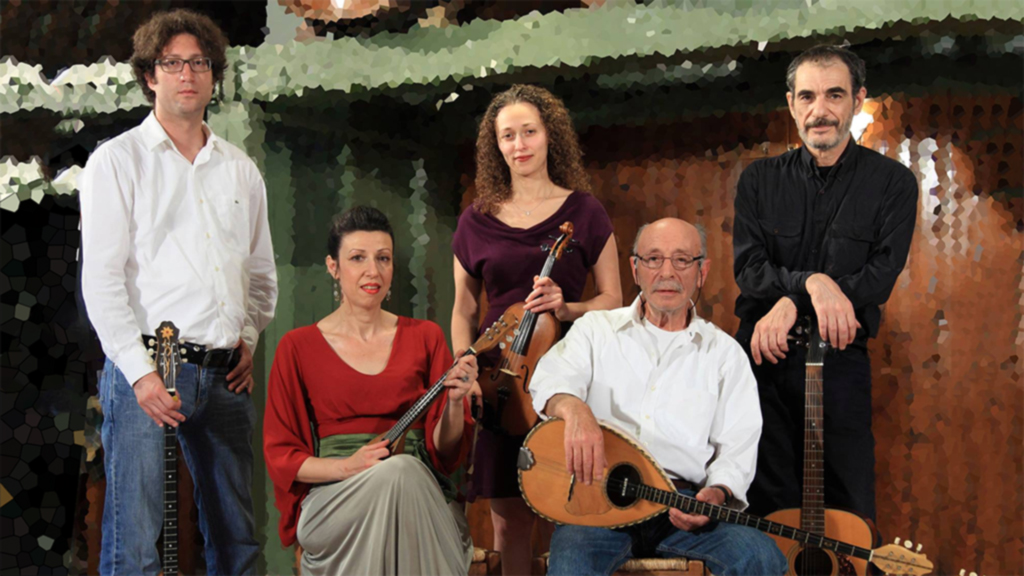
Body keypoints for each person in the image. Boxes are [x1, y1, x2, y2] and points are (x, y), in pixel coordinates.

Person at [79, 10, 277, 575]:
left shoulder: (240, 170)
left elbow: (260, 274)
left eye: (199, 63)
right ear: (150, 76)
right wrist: (140, 375)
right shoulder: (116, 162)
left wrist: (248, 337)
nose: (186, 74)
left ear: (213, 75)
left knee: (239, 543)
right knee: (137, 546)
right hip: (149, 369)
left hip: (224, 376)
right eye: (172, 63)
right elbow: (102, 280)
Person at [529, 218, 787, 576]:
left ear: (702, 271)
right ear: (635, 269)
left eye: (682, 260)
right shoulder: (596, 329)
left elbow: (737, 447)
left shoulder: (725, 354)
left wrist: (717, 494)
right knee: (573, 564)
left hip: (681, 509)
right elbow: (548, 381)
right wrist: (573, 409)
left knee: (761, 556)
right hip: (596, 507)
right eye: (653, 259)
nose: (667, 272)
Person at [732, 44, 918, 520]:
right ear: (792, 103)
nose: (821, 111)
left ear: (858, 100)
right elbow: (749, 269)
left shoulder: (894, 183)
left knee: (848, 505)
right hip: (761, 361)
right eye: (808, 96)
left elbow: (878, 278)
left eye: (834, 95)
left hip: (840, 362)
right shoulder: (758, 180)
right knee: (765, 504)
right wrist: (813, 283)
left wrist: (792, 300)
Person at [451, 84, 622, 575]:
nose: (520, 144)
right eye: (508, 135)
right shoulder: (475, 220)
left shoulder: (585, 211)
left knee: (573, 512)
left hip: (571, 378)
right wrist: (465, 361)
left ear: (550, 137)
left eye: (529, 131)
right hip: (500, 379)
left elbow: (614, 300)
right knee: (508, 522)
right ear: (496, 145)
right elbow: (463, 309)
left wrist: (566, 308)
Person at [264, 206, 477, 575]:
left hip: (419, 491)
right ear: (334, 267)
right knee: (399, 473)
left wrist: (455, 404)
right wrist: (347, 466)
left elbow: (446, 452)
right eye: (357, 258)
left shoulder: (426, 336)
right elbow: (283, 456)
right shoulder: (296, 347)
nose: (372, 271)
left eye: (383, 259)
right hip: (335, 494)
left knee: (404, 473)